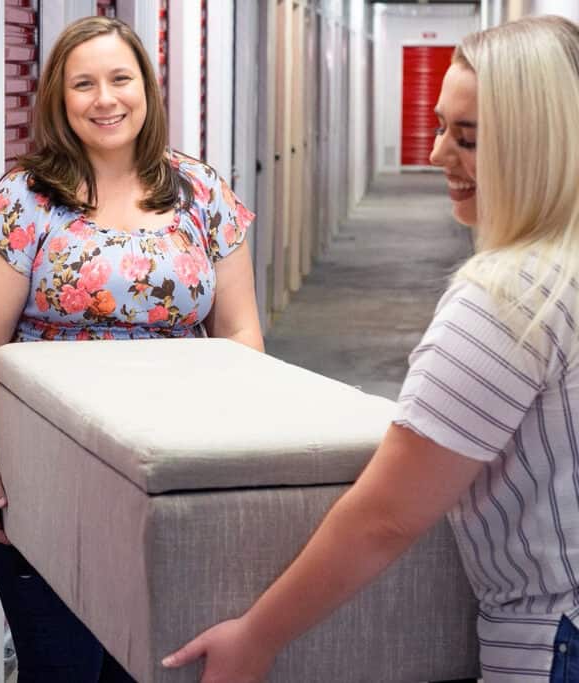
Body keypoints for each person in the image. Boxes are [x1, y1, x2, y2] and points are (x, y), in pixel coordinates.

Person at [163, 15, 579, 683]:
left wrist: (257, 636)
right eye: (441, 125)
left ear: (537, 146)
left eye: (467, 137)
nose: (437, 153)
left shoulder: (508, 301)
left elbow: (386, 515)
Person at [0, 14, 263, 683]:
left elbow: (240, 334)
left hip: (169, 459)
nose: (105, 98)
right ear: (59, 98)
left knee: (152, 659)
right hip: (40, 458)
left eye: (120, 78)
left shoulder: (202, 194)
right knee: (63, 663)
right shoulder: (24, 200)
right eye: (84, 84)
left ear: (147, 88)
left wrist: (239, 458)